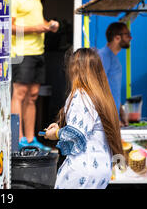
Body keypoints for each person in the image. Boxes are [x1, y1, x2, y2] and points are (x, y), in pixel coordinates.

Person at [43, 48, 123, 189]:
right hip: (101, 169)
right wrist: (61, 129)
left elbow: (76, 134)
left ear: (74, 70)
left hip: (82, 170)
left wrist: (54, 134)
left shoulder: (81, 95)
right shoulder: (103, 97)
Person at [11, 0, 59, 150]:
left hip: (39, 51)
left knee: (32, 96)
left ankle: (31, 139)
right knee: (20, 94)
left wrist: (50, 25)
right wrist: (38, 28)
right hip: (22, 52)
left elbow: (37, 23)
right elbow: (11, 27)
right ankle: (18, 137)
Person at [97, 22, 132, 127]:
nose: (131, 38)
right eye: (127, 34)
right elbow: (100, 88)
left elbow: (112, 90)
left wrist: (121, 111)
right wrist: (111, 118)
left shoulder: (112, 57)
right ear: (117, 38)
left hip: (113, 118)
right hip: (107, 119)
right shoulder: (103, 56)